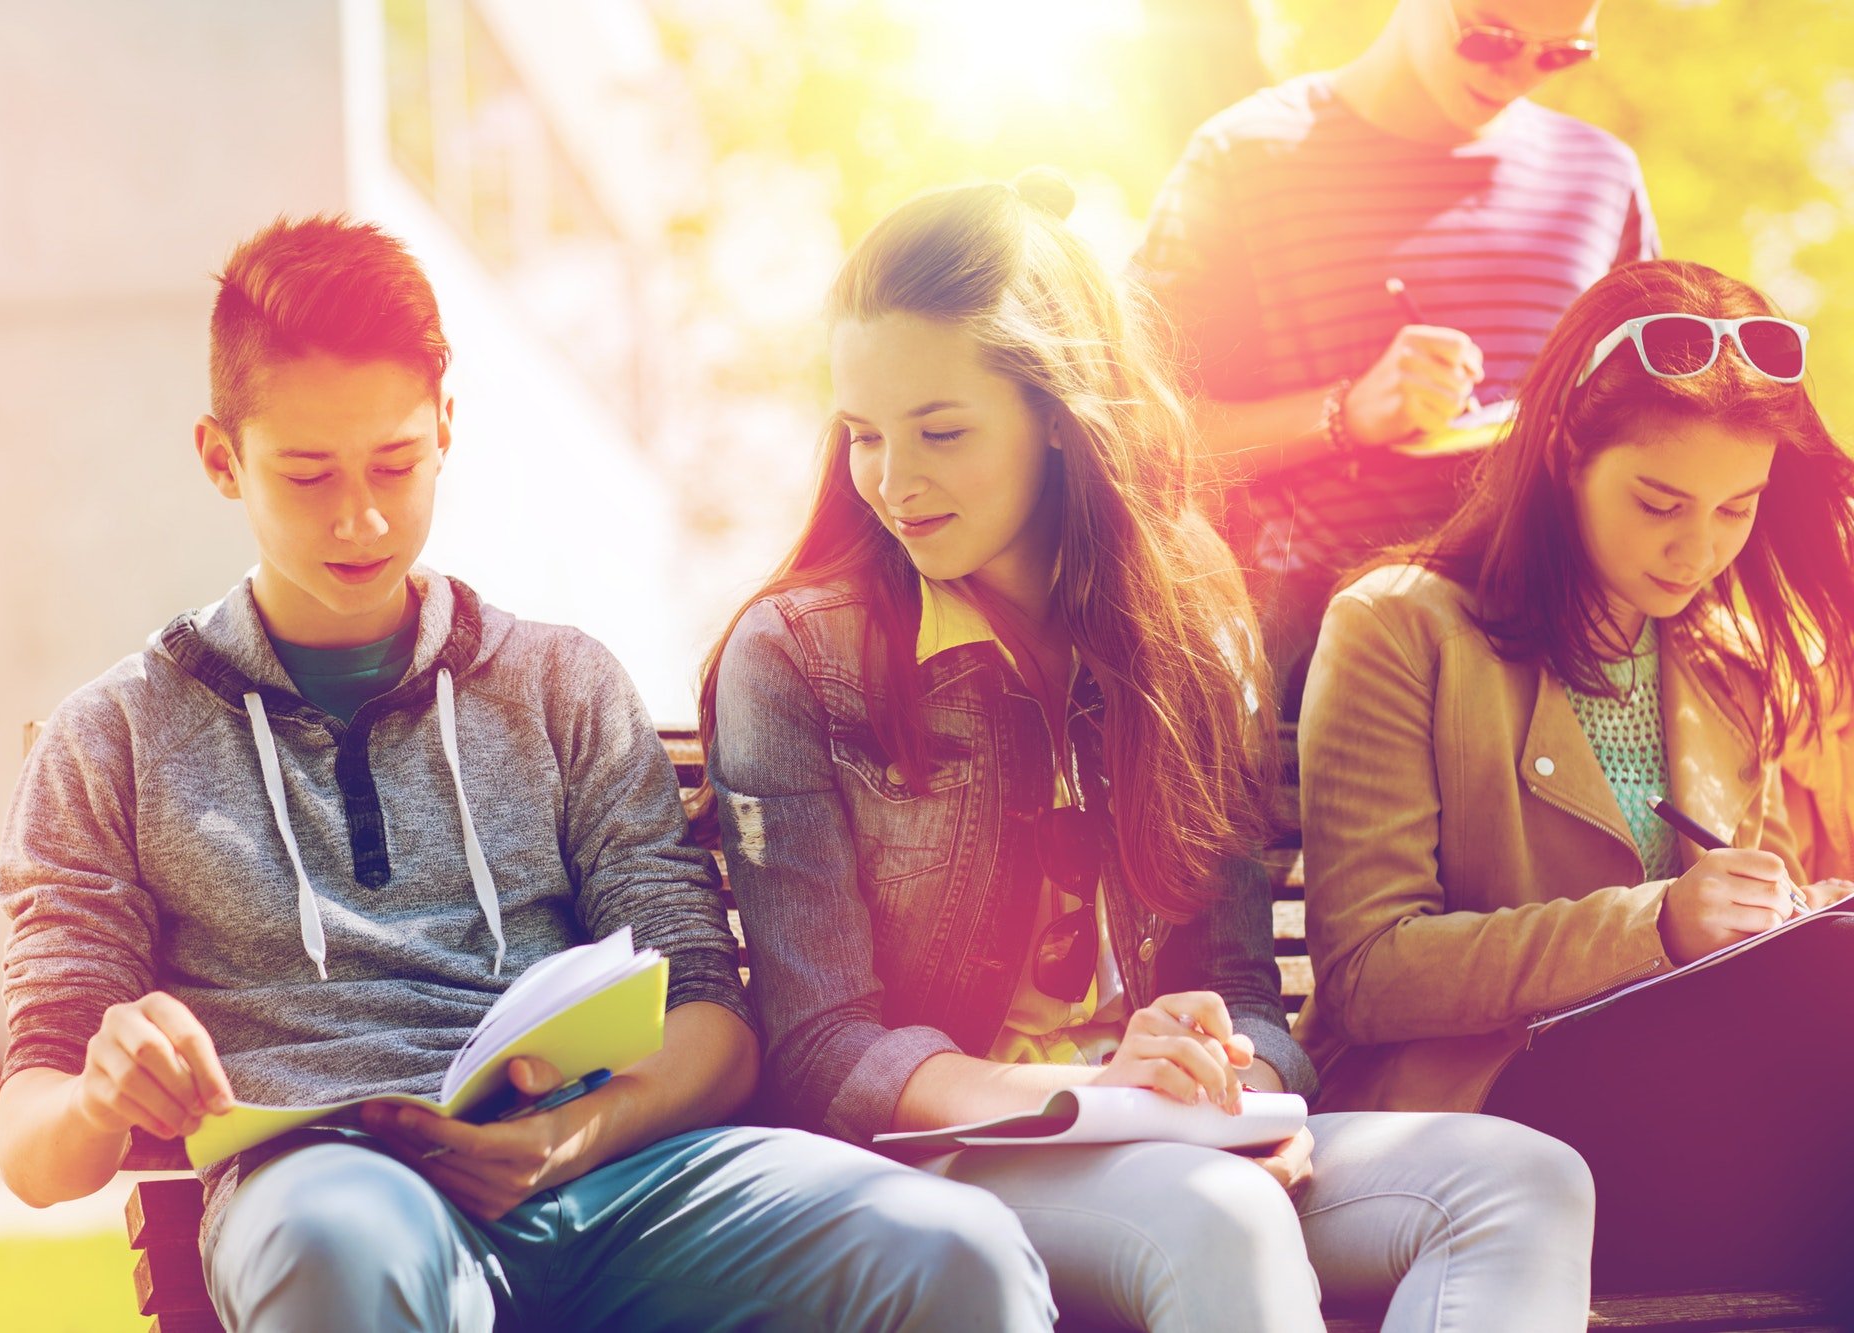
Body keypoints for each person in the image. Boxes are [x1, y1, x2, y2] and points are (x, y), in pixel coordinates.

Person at [0, 215, 1056, 1333]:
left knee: (953, 1248)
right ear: (221, 459)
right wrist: (101, 1095)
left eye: (394, 463)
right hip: (333, 1191)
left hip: (611, 1179)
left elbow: (713, 1021)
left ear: (446, 429)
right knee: (337, 1242)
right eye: (306, 475)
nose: (359, 515)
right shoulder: (111, 738)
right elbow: (34, 1143)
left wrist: (563, 1141)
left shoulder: (558, 686)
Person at [702, 171, 1595, 1332]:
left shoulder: (1192, 619)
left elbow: (1237, 983)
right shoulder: (794, 657)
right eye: (863, 435)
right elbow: (824, 1051)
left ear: (1058, 417)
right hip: (936, 1161)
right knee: (1216, 1210)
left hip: (1167, 1142)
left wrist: (1240, 1086)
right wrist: (1096, 1094)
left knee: (1523, 1181)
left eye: (939, 432)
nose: (892, 482)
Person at [1296, 257, 1854, 1299]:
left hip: (1695, 1106)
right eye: (1657, 502)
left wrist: (1778, 918)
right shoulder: (1398, 627)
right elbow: (1369, 975)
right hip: (1472, 1116)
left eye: (1735, 510)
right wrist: (1655, 925)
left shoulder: (1728, 659)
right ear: (1561, 453)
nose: (1694, 550)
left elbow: (1742, 932)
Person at [1131, 0, 1658, 715]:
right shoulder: (1245, 155)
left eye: (1560, 53)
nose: (1520, 72)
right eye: (1491, 38)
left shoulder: (1602, 176)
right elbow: (1142, 435)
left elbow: (1653, 425)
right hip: (1310, 679)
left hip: (1552, 674)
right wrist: (1344, 414)